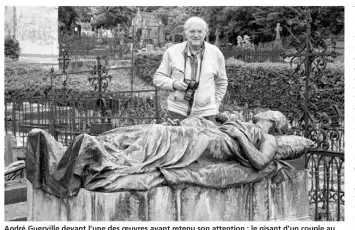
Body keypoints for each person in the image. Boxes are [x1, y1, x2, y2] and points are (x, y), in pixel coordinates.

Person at [153, 17, 228, 123]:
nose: (196, 35)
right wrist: (174, 83)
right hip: (177, 112)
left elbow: (222, 82)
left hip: (206, 114)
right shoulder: (172, 52)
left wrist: (214, 104)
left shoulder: (215, 53)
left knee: (204, 140)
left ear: (205, 33)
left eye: (200, 31)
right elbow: (157, 78)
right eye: (192, 31)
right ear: (186, 33)